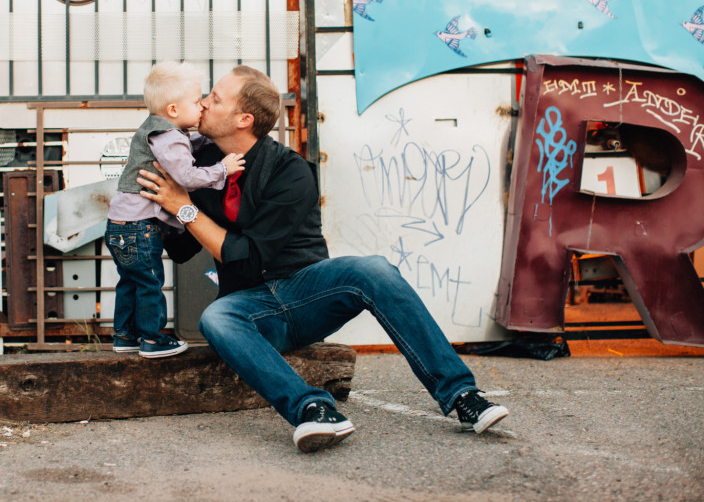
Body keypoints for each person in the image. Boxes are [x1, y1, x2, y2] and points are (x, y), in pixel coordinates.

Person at [136, 65, 509, 452]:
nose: (202, 104)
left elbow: (246, 259)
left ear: (243, 120)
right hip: (252, 308)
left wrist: (185, 209)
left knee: (374, 270)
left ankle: (462, 395)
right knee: (216, 318)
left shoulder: (290, 172)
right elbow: (182, 250)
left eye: (213, 99)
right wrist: (150, 208)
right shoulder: (201, 167)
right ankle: (312, 409)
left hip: (307, 295)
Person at [106, 61, 245, 359]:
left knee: (131, 281)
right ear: (173, 110)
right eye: (197, 102)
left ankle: (125, 335)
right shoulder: (168, 137)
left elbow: (186, 143)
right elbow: (187, 177)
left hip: (119, 226)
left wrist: (208, 136)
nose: (202, 107)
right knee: (151, 282)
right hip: (140, 227)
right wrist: (223, 168)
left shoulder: (157, 130)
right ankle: (153, 339)